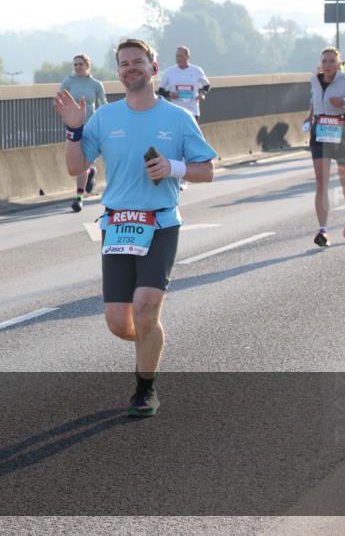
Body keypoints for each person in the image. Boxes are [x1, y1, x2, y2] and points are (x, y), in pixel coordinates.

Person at [54, 38, 216, 417]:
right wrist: (74, 132)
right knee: (118, 321)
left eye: (138, 62)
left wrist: (174, 168)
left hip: (160, 222)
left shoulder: (178, 118)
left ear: (153, 68)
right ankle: (151, 340)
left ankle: (145, 389)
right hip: (118, 224)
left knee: (145, 305)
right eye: (124, 64)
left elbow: (206, 169)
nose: (131, 68)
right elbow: (75, 168)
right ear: (118, 72)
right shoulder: (105, 117)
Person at [303, 47, 345, 247]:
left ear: (339, 63)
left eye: (332, 61)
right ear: (320, 63)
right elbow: (314, 99)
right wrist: (309, 115)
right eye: (325, 61)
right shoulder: (315, 78)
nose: (328, 64)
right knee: (321, 182)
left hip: (343, 132)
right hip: (320, 132)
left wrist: (344, 103)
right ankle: (323, 230)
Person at [59, 54, 107, 212]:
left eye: (80, 64)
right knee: (79, 164)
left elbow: (104, 105)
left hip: (91, 126)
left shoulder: (96, 84)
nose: (77, 67)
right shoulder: (68, 82)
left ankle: (78, 198)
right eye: (75, 64)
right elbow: (59, 100)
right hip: (74, 126)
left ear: (88, 65)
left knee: (82, 163)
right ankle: (90, 170)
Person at [158, 47, 210, 190]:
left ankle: (186, 175)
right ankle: (179, 177)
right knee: (177, 142)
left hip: (193, 111)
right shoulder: (169, 72)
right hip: (176, 112)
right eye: (176, 56)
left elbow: (206, 86)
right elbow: (160, 91)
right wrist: (170, 94)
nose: (178, 58)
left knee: (190, 144)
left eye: (181, 55)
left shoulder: (196, 70)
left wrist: (202, 94)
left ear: (188, 56)